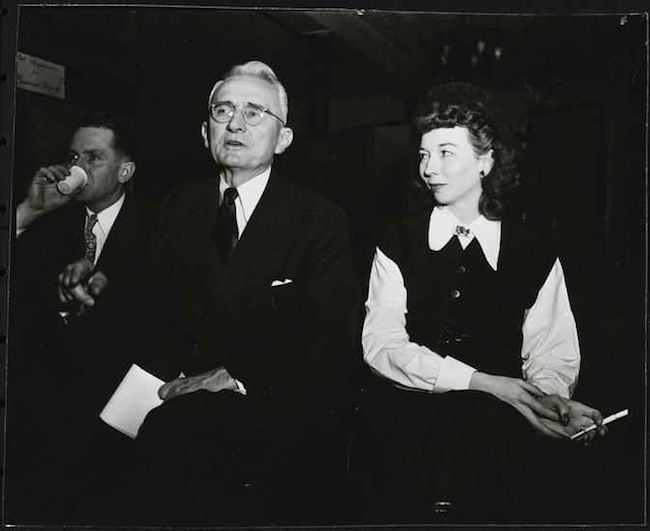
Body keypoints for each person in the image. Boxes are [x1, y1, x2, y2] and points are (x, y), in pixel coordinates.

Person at [100, 61, 360, 526]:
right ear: (205, 133)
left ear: (284, 139)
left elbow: (330, 339)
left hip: (269, 423)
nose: (235, 124)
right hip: (165, 408)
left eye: (254, 112)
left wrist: (237, 376)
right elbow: (148, 311)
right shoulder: (176, 206)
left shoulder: (320, 220)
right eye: (223, 111)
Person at [358, 82, 607, 523]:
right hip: (401, 444)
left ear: (485, 161)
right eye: (423, 154)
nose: (428, 168)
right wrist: (485, 382)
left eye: (445, 153)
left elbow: (551, 350)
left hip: (498, 452)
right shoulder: (396, 242)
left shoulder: (534, 251)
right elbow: (383, 347)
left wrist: (548, 403)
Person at [7, 111, 150, 523]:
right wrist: (27, 212)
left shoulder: (158, 225)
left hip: (115, 413)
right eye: (74, 157)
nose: (77, 168)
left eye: (93, 157)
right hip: (40, 411)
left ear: (125, 171)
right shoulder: (48, 221)